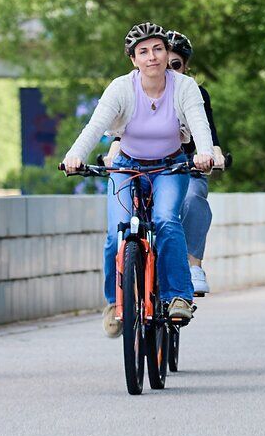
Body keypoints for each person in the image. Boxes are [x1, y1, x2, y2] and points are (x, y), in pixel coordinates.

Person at [61, 21, 221, 336]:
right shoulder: (121, 88)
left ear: (166, 53)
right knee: (115, 235)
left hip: (169, 167)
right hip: (126, 166)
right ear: (134, 59)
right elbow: (95, 126)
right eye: (143, 52)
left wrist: (204, 154)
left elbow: (200, 125)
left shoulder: (184, 87)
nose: (152, 57)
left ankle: (178, 296)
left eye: (158, 49)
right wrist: (74, 156)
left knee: (166, 221)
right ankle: (115, 303)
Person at [164, 30, 225, 297]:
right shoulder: (138, 89)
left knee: (192, 197)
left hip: (187, 165)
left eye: (176, 65)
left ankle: (193, 266)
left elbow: (208, 132)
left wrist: (213, 154)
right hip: (148, 165)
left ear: (186, 66)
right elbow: (122, 133)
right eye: (164, 64)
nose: (169, 71)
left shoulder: (195, 93)